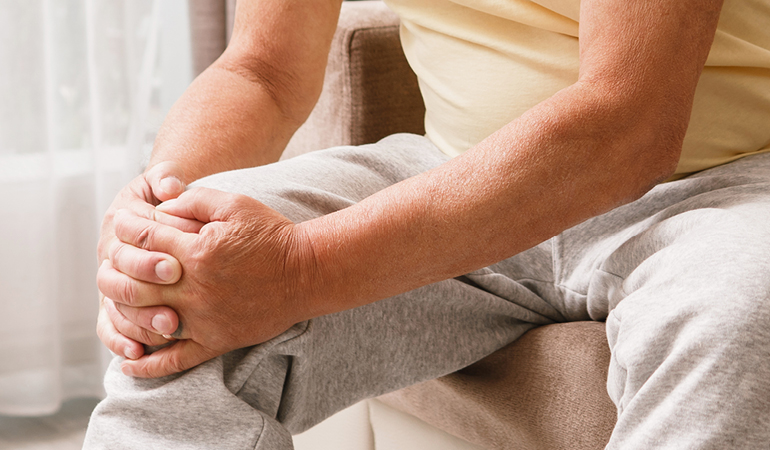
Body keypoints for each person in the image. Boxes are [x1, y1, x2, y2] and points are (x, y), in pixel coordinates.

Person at [85, 0, 770, 448]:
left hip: (723, 187)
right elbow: (260, 70)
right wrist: (162, 225)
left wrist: (301, 269)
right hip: (452, 168)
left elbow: (628, 126)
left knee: (736, 314)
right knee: (175, 303)